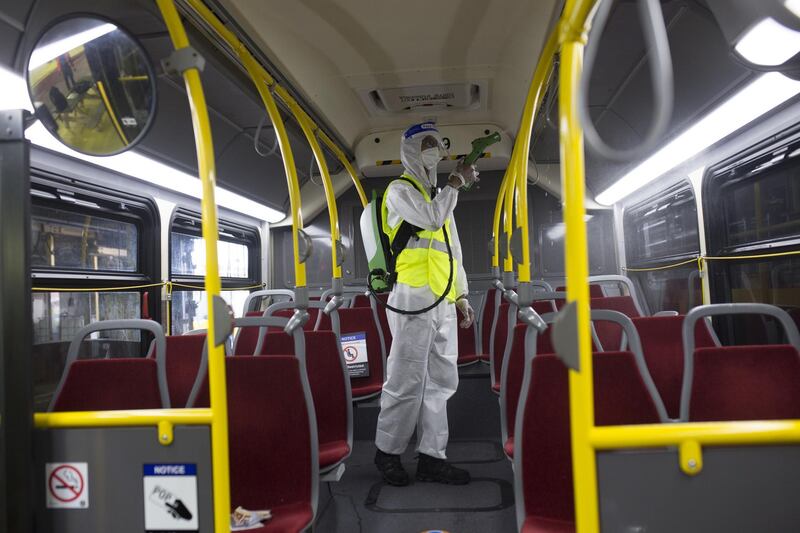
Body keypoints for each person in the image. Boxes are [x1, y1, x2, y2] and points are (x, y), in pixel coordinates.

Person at [374, 122, 479, 486]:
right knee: (406, 378)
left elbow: (454, 253)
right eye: (426, 143)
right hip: (412, 297)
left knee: (439, 382)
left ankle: (433, 457)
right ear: (411, 150)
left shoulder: (440, 196)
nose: (434, 149)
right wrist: (456, 185)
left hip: (443, 299)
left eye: (437, 143)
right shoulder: (400, 191)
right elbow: (431, 218)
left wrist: (462, 295)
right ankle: (387, 452)